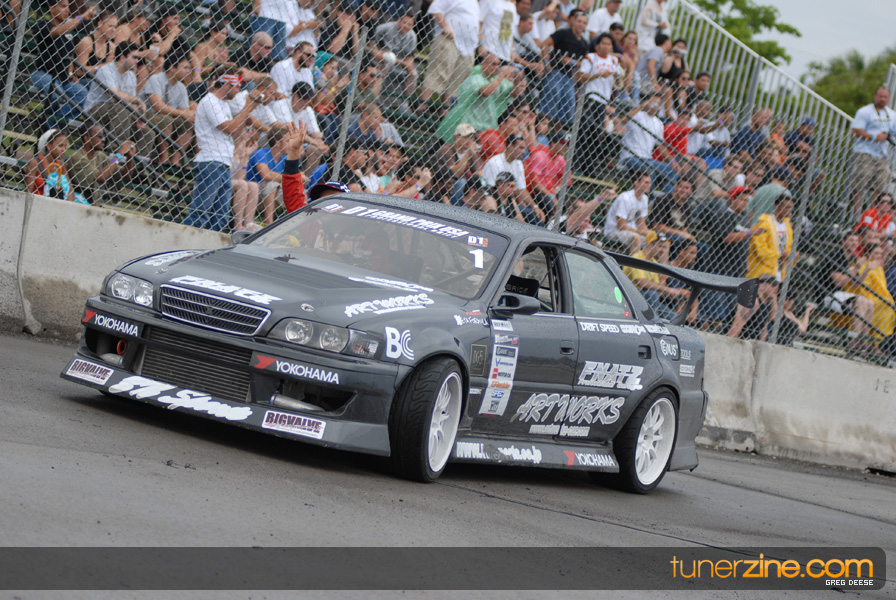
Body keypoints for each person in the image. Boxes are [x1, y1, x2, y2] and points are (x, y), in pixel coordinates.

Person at [184, 67, 264, 231]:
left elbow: (235, 131)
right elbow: (228, 128)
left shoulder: (224, 104)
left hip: (223, 162)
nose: (239, 90)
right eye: (237, 86)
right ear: (227, 84)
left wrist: (247, 115)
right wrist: (247, 107)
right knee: (200, 213)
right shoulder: (210, 101)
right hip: (211, 161)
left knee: (220, 217)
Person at [729, 194, 794, 339]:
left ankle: (761, 341)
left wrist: (791, 255)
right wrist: (780, 255)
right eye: (786, 207)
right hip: (761, 275)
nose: (789, 211)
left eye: (791, 208)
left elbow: (789, 248)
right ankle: (733, 337)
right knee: (749, 310)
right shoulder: (764, 223)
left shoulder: (788, 226)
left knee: (766, 316)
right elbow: (760, 250)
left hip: (777, 274)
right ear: (777, 206)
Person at [699, 186, 763, 328]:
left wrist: (746, 261)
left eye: (747, 200)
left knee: (726, 309)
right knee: (713, 306)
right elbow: (726, 238)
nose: (745, 203)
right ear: (733, 199)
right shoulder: (723, 215)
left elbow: (744, 243)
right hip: (719, 267)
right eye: (742, 199)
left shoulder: (744, 219)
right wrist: (750, 232)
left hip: (736, 270)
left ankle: (717, 331)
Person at [435, 53, 526, 142]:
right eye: (493, 64)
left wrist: (517, 79)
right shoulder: (475, 77)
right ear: (483, 64)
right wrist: (503, 75)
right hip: (466, 124)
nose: (496, 67)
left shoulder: (496, 80)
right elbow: (486, 92)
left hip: (485, 127)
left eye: (498, 64)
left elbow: (514, 93)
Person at [32, 0, 95, 120]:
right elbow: (57, 31)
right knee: (55, 94)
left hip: (63, 78)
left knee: (83, 96)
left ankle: (53, 121)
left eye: (68, 7)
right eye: (63, 6)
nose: (67, 10)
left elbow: (70, 55)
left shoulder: (68, 33)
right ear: (51, 8)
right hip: (43, 73)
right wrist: (81, 17)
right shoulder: (44, 26)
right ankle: (43, 118)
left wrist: (70, 73)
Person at [819, 232, 878, 355]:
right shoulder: (836, 255)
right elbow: (838, 281)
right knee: (860, 301)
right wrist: (856, 267)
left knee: (870, 303)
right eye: (851, 240)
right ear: (843, 242)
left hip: (841, 295)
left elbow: (856, 284)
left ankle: (864, 343)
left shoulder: (852, 258)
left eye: (856, 241)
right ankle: (853, 341)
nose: (854, 243)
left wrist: (866, 269)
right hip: (827, 294)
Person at [84, 41, 146, 150]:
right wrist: (137, 100)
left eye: (138, 58)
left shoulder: (131, 75)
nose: (137, 61)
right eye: (134, 57)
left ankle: (139, 160)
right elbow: (114, 96)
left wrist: (138, 118)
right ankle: (117, 150)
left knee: (148, 131)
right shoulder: (106, 70)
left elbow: (131, 104)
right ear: (122, 58)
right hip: (94, 112)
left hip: (117, 114)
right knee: (122, 108)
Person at [419, 0, 479, 110]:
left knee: (456, 82)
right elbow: (435, 9)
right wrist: (445, 27)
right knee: (437, 74)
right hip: (449, 40)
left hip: (468, 48)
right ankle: (421, 107)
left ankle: (444, 113)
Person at [139, 53, 196, 164]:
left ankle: (175, 160)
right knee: (166, 119)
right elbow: (158, 106)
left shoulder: (181, 87)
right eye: (184, 68)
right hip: (147, 116)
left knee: (189, 123)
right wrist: (182, 113)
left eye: (189, 68)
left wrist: (188, 114)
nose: (188, 71)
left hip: (169, 117)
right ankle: (164, 158)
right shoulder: (156, 79)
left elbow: (185, 111)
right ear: (172, 68)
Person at [849, 87, 896, 219]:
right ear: (875, 96)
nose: (882, 99)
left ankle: (872, 214)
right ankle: (857, 213)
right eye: (880, 96)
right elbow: (856, 130)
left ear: (889, 99)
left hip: (882, 154)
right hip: (865, 152)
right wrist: (874, 137)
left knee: (881, 184)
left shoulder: (891, 115)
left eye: (885, 97)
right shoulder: (865, 111)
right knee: (861, 180)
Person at [575, 33, 618, 174]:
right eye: (603, 43)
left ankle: (589, 167)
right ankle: (576, 164)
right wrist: (599, 75)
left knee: (596, 134)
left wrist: (618, 78)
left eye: (609, 44)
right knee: (584, 131)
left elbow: (618, 80)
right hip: (590, 98)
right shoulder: (591, 58)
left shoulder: (614, 60)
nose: (606, 46)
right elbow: (582, 76)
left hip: (603, 101)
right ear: (598, 45)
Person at [617, 95, 677, 193]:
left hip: (647, 159)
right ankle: (650, 197)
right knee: (649, 169)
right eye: (652, 103)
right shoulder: (637, 115)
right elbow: (623, 120)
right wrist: (641, 106)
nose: (654, 106)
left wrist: (672, 160)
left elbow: (660, 145)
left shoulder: (659, 123)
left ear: (659, 107)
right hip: (631, 157)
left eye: (657, 104)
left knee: (672, 169)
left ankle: (667, 198)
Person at [539, 9, 589, 126]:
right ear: (574, 21)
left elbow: (584, 63)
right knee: (553, 94)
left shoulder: (584, 43)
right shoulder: (563, 33)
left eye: (584, 22)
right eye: (579, 21)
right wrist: (546, 62)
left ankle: (558, 133)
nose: (581, 24)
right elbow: (544, 44)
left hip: (569, 76)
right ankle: (543, 126)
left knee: (569, 103)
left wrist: (572, 62)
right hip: (555, 71)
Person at [623, 230, 686, 320]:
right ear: (650, 244)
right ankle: (652, 323)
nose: (663, 250)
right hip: (631, 297)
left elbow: (658, 290)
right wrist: (667, 289)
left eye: (665, 247)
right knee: (652, 294)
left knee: (674, 318)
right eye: (661, 246)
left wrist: (669, 289)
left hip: (649, 300)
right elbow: (642, 283)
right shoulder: (637, 257)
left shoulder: (654, 263)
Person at [67, 125, 136, 204]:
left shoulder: (99, 155)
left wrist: (130, 158)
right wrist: (119, 154)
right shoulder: (77, 156)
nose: (104, 139)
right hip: (78, 203)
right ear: (87, 138)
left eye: (104, 136)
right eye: (99, 136)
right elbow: (100, 177)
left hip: (93, 204)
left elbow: (126, 176)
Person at [269, 81, 329, 173]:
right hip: (281, 141)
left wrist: (321, 143)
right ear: (296, 96)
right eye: (306, 100)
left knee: (316, 150)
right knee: (299, 147)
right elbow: (291, 130)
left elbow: (316, 134)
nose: (309, 102)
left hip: (301, 141)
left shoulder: (308, 110)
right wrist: (315, 143)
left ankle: (305, 180)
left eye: (310, 99)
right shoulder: (281, 105)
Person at [482, 134, 544, 223]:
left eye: (524, 148)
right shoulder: (495, 163)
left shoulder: (519, 163)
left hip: (509, 200)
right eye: (520, 148)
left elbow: (522, 190)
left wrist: (535, 207)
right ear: (510, 146)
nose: (524, 151)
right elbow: (490, 189)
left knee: (533, 214)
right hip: (494, 201)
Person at [247, 126, 289, 226]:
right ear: (278, 143)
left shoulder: (285, 158)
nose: (291, 144)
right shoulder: (260, 153)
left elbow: (296, 177)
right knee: (272, 185)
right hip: (253, 191)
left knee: (300, 191)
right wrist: (286, 177)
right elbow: (266, 175)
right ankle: (269, 225)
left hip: (272, 192)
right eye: (288, 141)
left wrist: (287, 177)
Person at [371, 12, 418, 101]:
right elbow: (375, 47)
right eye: (404, 22)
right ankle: (374, 98)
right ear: (398, 21)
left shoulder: (412, 36)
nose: (406, 26)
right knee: (386, 64)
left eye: (409, 25)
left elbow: (410, 57)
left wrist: (408, 65)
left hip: (399, 63)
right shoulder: (385, 28)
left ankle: (405, 102)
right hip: (381, 58)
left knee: (413, 73)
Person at [434, 122, 482, 206]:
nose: (469, 141)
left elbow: (478, 172)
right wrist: (468, 153)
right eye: (466, 137)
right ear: (457, 137)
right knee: (462, 182)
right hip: (444, 187)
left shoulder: (470, 152)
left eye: (471, 137)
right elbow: (455, 174)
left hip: (458, 188)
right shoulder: (447, 150)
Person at [603, 170, 651, 253]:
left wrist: (649, 233)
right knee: (636, 238)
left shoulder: (645, 198)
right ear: (636, 182)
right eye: (646, 182)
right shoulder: (625, 198)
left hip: (632, 231)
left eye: (650, 182)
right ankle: (634, 261)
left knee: (654, 241)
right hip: (614, 231)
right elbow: (621, 226)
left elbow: (641, 223)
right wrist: (642, 232)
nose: (649, 185)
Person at [524, 131, 569, 217]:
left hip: (549, 190)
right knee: (548, 204)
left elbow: (566, 179)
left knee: (565, 200)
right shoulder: (540, 155)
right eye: (562, 144)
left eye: (567, 145)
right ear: (553, 143)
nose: (565, 147)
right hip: (534, 192)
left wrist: (556, 189)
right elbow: (535, 183)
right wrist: (551, 196)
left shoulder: (560, 158)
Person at [25, 129, 74, 202]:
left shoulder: (61, 166)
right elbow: (28, 192)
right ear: (49, 145)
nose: (64, 149)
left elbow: (70, 191)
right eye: (60, 146)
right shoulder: (35, 163)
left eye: (65, 146)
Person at [255, 0, 319, 54]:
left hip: (311, 50)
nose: (312, 3)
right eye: (311, 0)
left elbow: (316, 36)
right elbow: (288, 32)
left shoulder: (308, 12)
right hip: (292, 49)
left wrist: (315, 28)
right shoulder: (290, 5)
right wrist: (306, 25)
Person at [231, 127, 261, 231]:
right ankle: (238, 224)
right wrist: (236, 155)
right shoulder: (228, 146)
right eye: (247, 129)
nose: (250, 132)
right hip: (223, 179)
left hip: (234, 181)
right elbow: (227, 172)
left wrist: (245, 157)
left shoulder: (243, 149)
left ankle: (248, 223)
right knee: (243, 184)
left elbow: (240, 177)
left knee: (254, 186)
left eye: (251, 130)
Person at [74, 10, 119, 78]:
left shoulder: (112, 47)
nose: (113, 30)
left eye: (115, 27)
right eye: (110, 26)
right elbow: (79, 71)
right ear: (100, 24)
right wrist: (102, 66)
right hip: (83, 80)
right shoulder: (87, 42)